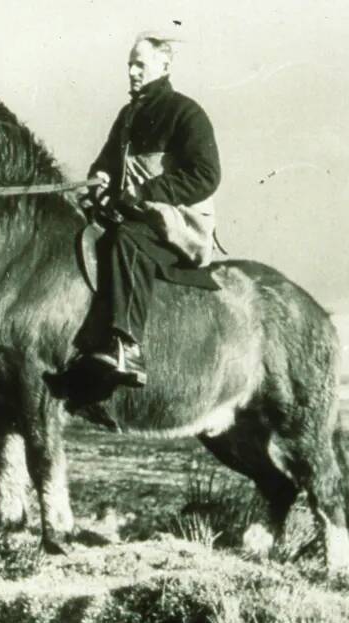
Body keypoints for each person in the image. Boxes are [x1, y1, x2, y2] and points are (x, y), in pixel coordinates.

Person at [84, 34, 222, 388]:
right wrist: (99, 177)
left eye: (140, 65)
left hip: (179, 223)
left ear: (164, 66)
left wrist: (147, 191)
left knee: (127, 239)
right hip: (138, 213)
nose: (131, 71)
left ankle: (128, 348)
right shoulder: (128, 115)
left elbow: (206, 175)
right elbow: (108, 164)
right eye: (129, 64)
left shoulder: (186, 113)